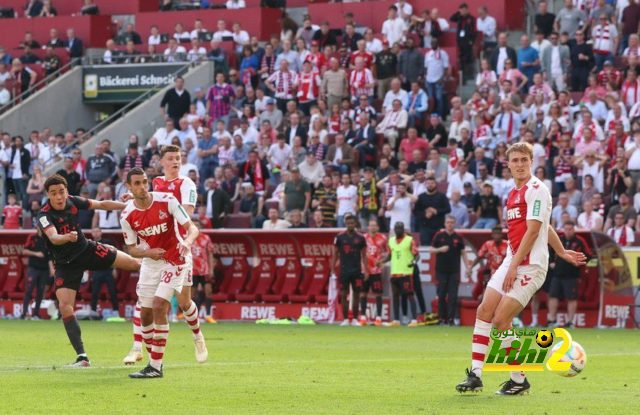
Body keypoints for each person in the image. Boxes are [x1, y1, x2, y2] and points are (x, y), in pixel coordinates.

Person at [456, 142, 586, 395]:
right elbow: (546, 226)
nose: (519, 164)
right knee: (484, 310)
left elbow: (535, 229)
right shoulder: (514, 192)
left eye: (524, 160)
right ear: (508, 164)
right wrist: (560, 251)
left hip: (531, 266)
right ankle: (475, 374)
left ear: (531, 161)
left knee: (502, 319)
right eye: (514, 160)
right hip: (513, 259)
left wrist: (515, 266)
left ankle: (519, 380)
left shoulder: (537, 189)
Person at [37, 174, 141, 367]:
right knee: (64, 306)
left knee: (135, 265)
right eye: (54, 193)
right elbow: (53, 237)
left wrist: (128, 205)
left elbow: (102, 205)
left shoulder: (73, 201)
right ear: (48, 196)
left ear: (66, 191)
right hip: (65, 264)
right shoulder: (44, 215)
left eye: (61, 192)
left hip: (86, 250)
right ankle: (82, 357)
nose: (59, 197)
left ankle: (165, 277)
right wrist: (66, 236)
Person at [122, 145, 206, 366]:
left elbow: (185, 214)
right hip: (154, 250)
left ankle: (197, 337)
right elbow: (146, 201)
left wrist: (164, 210)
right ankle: (138, 348)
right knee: (147, 302)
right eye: (170, 158)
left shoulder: (186, 184)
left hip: (177, 247)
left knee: (185, 302)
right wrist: (134, 199)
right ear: (161, 162)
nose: (175, 162)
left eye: (178, 158)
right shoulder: (155, 182)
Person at [547, 221, 590, 328]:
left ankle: (570, 321)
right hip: (557, 273)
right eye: (566, 229)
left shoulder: (580, 241)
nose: (568, 231)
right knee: (552, 296)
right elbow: (549, 251)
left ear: (573, 230)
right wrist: (551, 262)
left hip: (571, 275)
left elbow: (589, 255)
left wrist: (579, 265)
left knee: (572, 298)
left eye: (570, 229)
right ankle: (552, 320)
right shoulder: (559, 239)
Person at [430, 215, 470, 325]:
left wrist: (468, 267)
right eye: (448, 222)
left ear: (455, 223)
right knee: (441, 295)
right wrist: (440, 249)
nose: (450, 224)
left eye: (452, 222)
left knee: (453, 296)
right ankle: (442, 319)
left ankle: (451, 319)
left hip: (454, 271)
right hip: (441, 271)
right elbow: (431, 250)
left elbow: (463, 253)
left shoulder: (458, 237)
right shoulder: (439, 236)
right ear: (444, 223)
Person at [332, 214, 369, 326]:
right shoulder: (339, 238)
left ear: (355, 224)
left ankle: (354, 319)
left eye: (352, 223)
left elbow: (364, 255)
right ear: (345, 224)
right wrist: (332, 268)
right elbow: (335, 254)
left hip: (357, 271)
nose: (350, 225)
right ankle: (345, 319)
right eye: (348, 223)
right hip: (344, 270)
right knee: (343, 294)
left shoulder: (361, 238)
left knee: (356, 294)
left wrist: (366, 270)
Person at [383, 221, 420, 327]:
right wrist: (382, 261)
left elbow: (417, 255)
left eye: (400, 228)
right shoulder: (391, 241)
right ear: (394, 229)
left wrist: (413, 262)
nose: (398, 230)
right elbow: (390, 255)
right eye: (396, 228)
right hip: (394, 272)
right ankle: (396, 320)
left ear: (403, 229)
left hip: (406, 273)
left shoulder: (409, 240)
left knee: (410, 295)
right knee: (395, 296)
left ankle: (414, 320)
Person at [359, 220, 388, 326]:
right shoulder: (363, 238)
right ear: (368, 227)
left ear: (378, 227)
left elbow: (388, 252)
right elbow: (358, 251)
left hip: (376, 271)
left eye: (374, 225)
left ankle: (378, 318)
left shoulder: (383, 238)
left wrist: (383, 261)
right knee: (363, 293)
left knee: (378, 294)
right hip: (364, 270)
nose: (373, 227)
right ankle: (363, 317)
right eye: (371, 225)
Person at [20, 228, 53, 319]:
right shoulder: (32, 237)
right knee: (29, 291)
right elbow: (24, 251)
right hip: (33, 269)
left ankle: (36, 314)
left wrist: (51, 269)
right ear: (38, 227)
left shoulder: (48, 239)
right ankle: (23, 314)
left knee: (40, 292)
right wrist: (36, 254)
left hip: (44, 270)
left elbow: (49, 255)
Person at [89, 227, 118, 314]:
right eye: (93, 231)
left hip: (108, 271)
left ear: (101, 232)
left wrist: (115, 268)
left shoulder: (107, 242)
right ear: (91, 233)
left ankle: (116, 311)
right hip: (97, 271)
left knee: (112, 291)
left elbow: (115, 255)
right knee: (94, 293)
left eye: (97, 231)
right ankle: (93, 312)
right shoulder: (89, 243)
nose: (95, 233)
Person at [415, 176, 451, 245]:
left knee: (440, 246)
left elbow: (448, 209)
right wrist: (425, 214)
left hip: (439, 227)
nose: (430, 185)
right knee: (425, 248)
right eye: (428, 183)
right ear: (425, 185)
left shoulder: (442, 196)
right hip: (425, 227)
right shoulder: (421, 197)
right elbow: (416, 212)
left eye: (432, 183)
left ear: (436, 184)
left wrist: (436, 211)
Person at [190, 219, 215, 318]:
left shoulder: (206, 238)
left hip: (204, 269)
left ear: (200, 227)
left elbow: (210, 254)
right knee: (193, 293)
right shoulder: (187, 238)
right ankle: (194, 316)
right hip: (192, 270)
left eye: (198, 225)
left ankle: (208, 315)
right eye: (194, 225)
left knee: (208, 290)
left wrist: (211, 269)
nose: (196, 227)